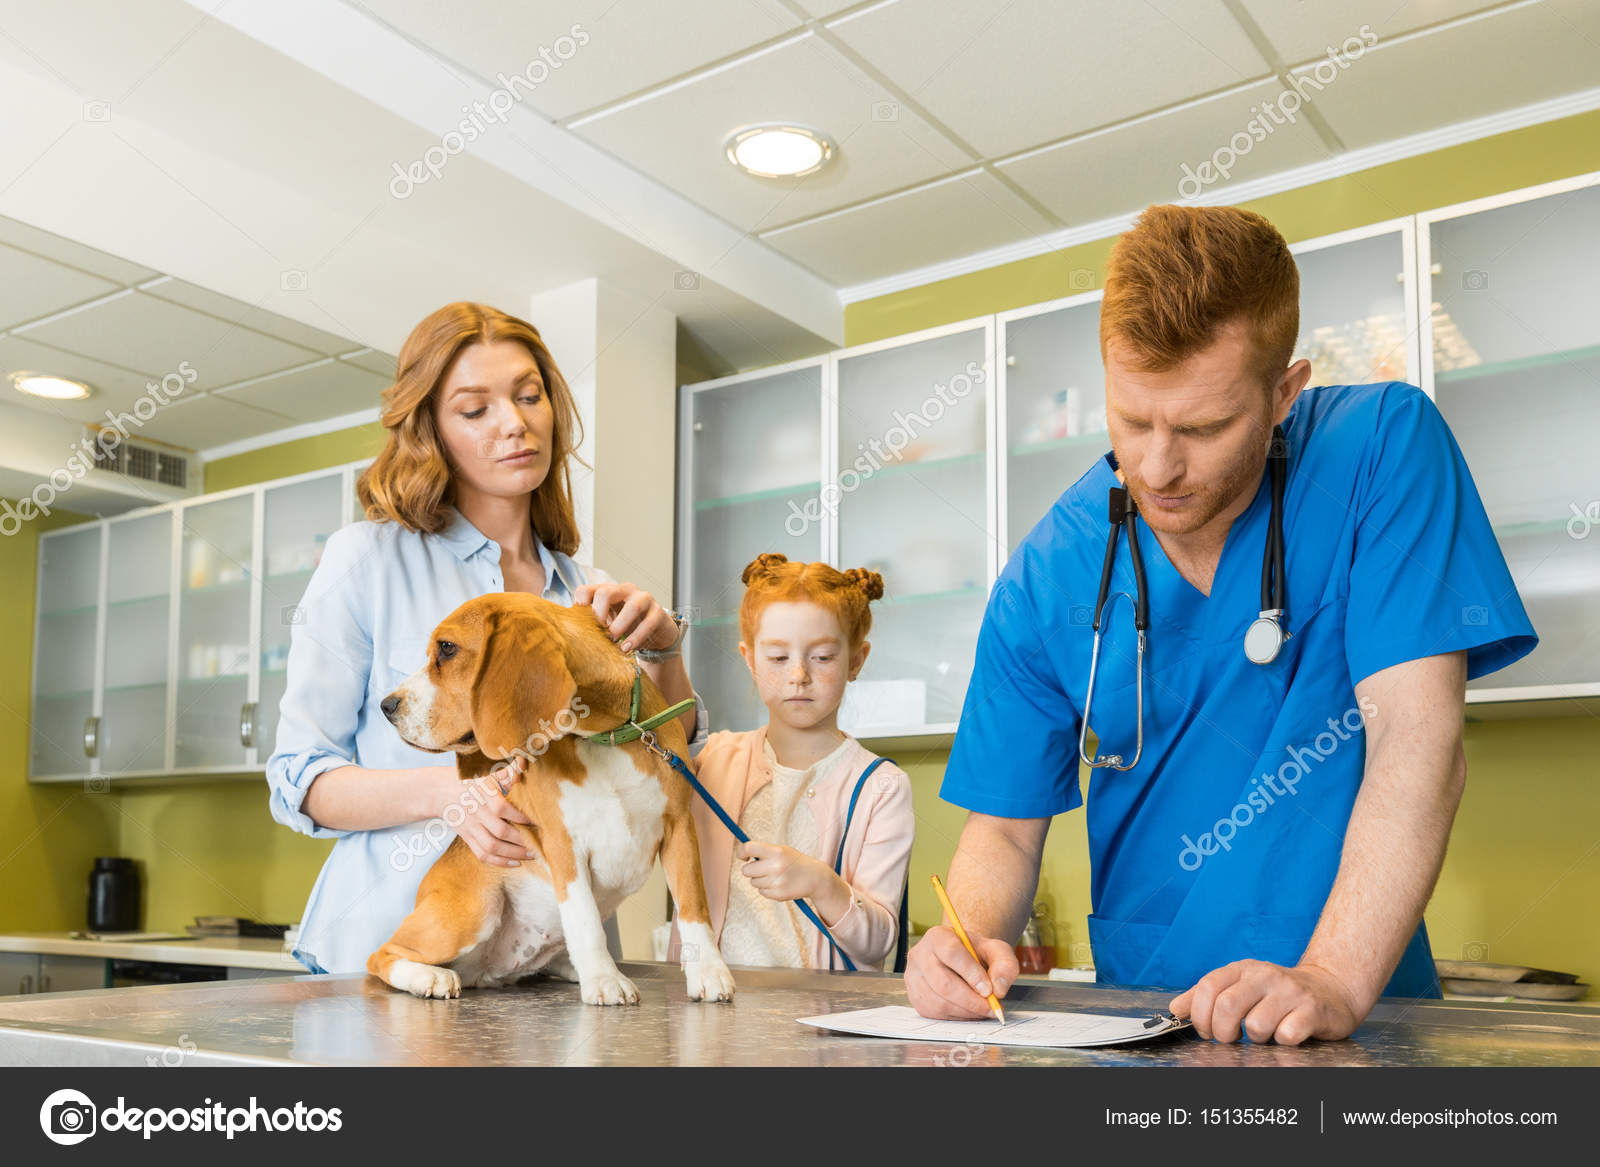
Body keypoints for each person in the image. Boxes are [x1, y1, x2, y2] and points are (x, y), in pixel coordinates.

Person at [906, 204, 1536, 1044]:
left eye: (1202, 427)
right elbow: (1005, 831)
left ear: (1284, 391)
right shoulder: (1047, 570)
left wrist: (1331, 979)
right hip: (1146, 1028)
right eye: (1132, 420)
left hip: (1355, 1018)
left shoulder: (1382, 450)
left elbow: (1418, 742)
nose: (1158, 466)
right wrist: (968, 938)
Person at [266, 301, 707, 975]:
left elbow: (674, 764)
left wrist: (664, 653)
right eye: (476, 410)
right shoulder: (367, 561)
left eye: (529, 396)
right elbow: (300, 779)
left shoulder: (586, 593)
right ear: (431, 431)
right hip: (392, 951)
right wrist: (448, 795)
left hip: (555, 964)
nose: (515, 422)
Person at [667, 553, 914, 971]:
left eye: (822, 657)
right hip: (706, 1017)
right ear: (750, 660)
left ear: (856, 660)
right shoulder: (709, 761)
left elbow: (878, 943)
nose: (798, 674)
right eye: (778, 658)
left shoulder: (883, 787)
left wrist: (822, 883)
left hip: (820, 1026)